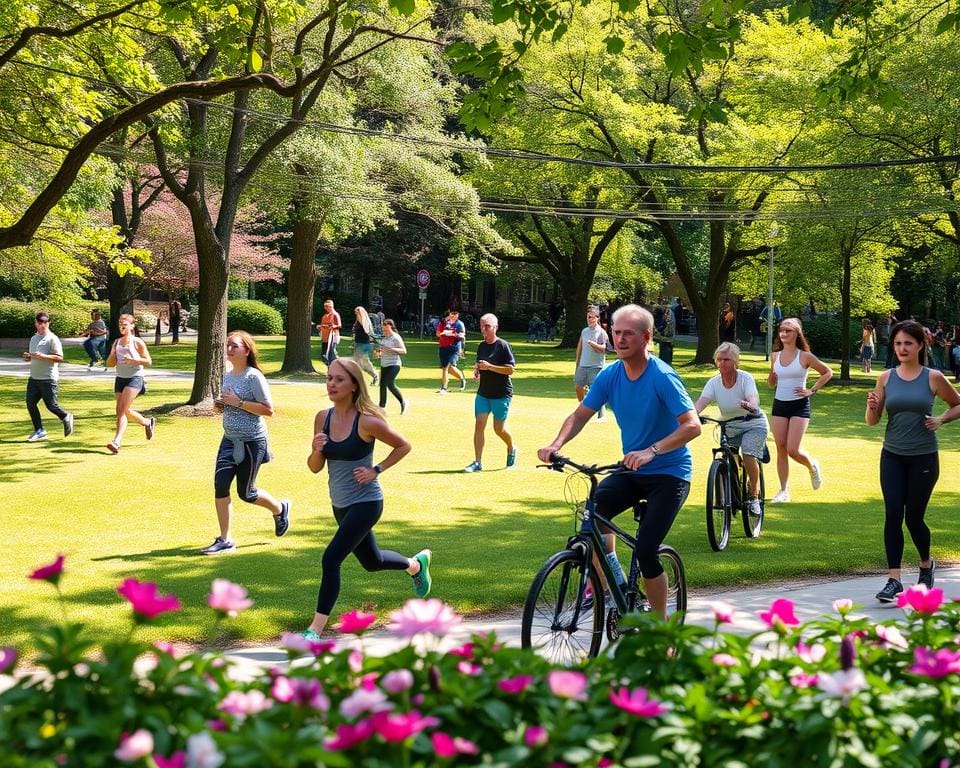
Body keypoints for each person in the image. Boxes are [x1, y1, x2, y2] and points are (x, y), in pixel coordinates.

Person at [537, 305, 701, 617]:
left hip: (670, 474)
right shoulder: (610, 375)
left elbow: (692, 425)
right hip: (632, 469)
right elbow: (580, 415)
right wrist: (555, 444)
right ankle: (616, 589)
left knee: (646, 550)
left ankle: (660, 626)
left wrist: (652, 451)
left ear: (646, 338)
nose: (620, 338)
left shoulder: (663, 376)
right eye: (616, 332)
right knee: (593, 518)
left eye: (628, 333)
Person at [301, 358, 430, 639]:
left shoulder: (367, 421)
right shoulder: (322, 418)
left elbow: (403, 445)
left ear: (354, 386)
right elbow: (314, 467)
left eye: (339, 380)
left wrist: (376, 469)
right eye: (329, 378)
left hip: (367, 502)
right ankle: (416, 565)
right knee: (371, 562)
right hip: (340, 504)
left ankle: (314, 630)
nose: (331, 384)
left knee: (331, 558)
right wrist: (315, 449)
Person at [866, 320, 960, 603]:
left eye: (908, 343)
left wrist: (941, 418)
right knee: (893, 513)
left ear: (921, 345)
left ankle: (925, 565)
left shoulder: (932, 377)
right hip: (892, 454)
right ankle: (894, 579)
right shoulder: (885, 378)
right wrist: (872, 407)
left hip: (923, 457)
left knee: (914, 517)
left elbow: (957, 403)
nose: (902, 348)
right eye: (897, 343)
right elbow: (873, 422)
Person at [202, 331, 291, 554]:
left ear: (247, 351)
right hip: (229, 439)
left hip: (252, 441)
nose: (229, 349)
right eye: (228, 346)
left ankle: (280, 509)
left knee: (246, 493)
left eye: (234, 346)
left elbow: (268, 410)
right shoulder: (228, 375)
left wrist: (238, 402)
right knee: (220, 485)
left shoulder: (254, 377)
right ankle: (225, 539)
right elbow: (228, 403)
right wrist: (221, 405)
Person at [694, 343, 769, 517]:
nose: (722, 363)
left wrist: (751, 405)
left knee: (749, 454)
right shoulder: (713, 383)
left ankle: (754, 496)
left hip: (753, 423)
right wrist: (691, 415)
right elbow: (701, 402)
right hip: (729, 426)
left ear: (735, 361)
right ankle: (728, 495)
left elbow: (753, 398)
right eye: (719, 359)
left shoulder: (745, 378)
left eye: (726, 359)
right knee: (726, 456)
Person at [767, 317, 833, 503]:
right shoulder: (775, 356)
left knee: (792, 449)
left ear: (797, 333)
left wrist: (811, 390)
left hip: (799, 406)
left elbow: (827, 372)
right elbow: (771, 383)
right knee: (780, 447)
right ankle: (783, 491)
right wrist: (772, 377)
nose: (784, 333)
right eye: (781, 330)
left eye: (788, 330)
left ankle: (812, 466)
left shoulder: (805, 356)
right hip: (780, 404)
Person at [464, 314, 518, 472]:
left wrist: (490, 367)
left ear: (495, 327)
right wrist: (477, 370)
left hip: (501, 393)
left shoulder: (503, 345)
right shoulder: (481, 346)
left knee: (498, 429)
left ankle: (511, 447)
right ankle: (477, 462)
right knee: (479, 424)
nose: (483, 329)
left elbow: (510, 369)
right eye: (481, 326)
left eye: (487, 326)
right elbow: (480, 363)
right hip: (484, 393)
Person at [105, 313, 156, 454]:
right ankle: (147, 422)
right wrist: (112, 355)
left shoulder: (137, 342)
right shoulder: (116, 342)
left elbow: (149, 361)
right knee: (123, 411)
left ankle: (116, 442)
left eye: (125, 323)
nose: (122, 326)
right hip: (120, 378)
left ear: (132, 326)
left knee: (121, 410)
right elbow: (109, 364)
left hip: (135, 378)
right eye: (120, 323)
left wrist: (134, 360)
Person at [23, 312, 74, 442]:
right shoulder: (34, 338)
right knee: (30, 403)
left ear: (48, 323)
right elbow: (32, 356)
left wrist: (44, 356)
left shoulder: (52, 338)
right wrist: (28, 357)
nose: (41, 324)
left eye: (44, 322)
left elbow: (59, 357)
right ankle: (39, 431)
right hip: (34, 378)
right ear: (36, 323)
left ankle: (65, 416)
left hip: (48, 378)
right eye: (39, 322)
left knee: (51, 405)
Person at [575, 306, 609, 420]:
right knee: (578, 387)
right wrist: (577, 363)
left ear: (597, 318)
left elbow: (604, 349)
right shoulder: (584, 331)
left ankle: (601, 413)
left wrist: (593, 344)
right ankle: (583, 406)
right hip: (583, 365)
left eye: (592, 317)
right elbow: (580, 348)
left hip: (596, 366)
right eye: (588, 317)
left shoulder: (601, 332)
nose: (589, 319)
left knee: (595, 390)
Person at [376, 318, 408, 414]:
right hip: (384, 364)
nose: (384, 330)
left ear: (390, 326)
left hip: (394, 364)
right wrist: (379, 353)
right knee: (389, 386)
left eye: (385, 328)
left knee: (385, 383)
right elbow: (381, 350)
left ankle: (381, 407)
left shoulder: (396, 337)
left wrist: (392, 349)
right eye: (383, 329)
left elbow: (404, 351)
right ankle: (403, 402)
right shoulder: (384, 338)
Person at [436, 308, 466, 393]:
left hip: (454, 347)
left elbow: (462, 336)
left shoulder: (459, 324)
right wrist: (442, 333)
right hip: (443, 347)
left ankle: (443, 388)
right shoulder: (442, 323)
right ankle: (462, 378)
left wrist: (462, 348)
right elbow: (438, 333)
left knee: (446, 367)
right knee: (448, 368)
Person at [351, 306, 378, 386]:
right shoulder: (357, 322)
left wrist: (362, 320)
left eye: (357, 313)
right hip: (358, 343)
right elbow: (355, 332)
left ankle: (373, 375)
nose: (356, 314)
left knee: (362, 362)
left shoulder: (365, 321)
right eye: (355, 313)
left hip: (364, 344)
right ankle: (373, 375)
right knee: (360, 362)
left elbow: (367, 331)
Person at [316, 299, 342, 368]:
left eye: (326, 306)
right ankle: (331, 368)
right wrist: (320, 327)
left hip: (332, 337)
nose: (325, 308)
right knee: (324, 355)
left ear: (331, 306)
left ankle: (337, 368)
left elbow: (339, 325)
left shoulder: (335, 315)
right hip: (325, 338)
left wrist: (333, 326)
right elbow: (322, 325)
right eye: (324, 306)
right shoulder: (325, 316)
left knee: (332, 354)